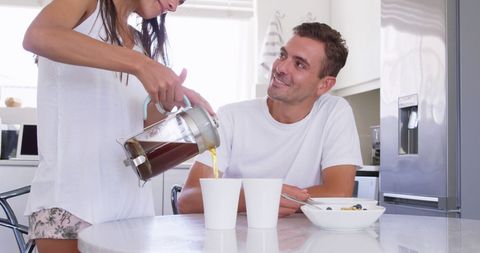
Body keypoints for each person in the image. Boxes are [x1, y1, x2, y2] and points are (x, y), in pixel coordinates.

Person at [22, 0, 213, 252]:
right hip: (71, 202)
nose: (173, 5)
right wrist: (141, 64)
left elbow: (140, 131)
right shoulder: (88, 6)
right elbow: (38, 36)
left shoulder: (140, 44)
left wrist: (165, 103)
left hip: (132, 211)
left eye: (181, 1)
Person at [177, 22, 363, 217]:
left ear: (324, 85)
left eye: (299, 64)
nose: (281, 67)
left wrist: (271, 198)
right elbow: (189, 199)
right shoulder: (230, 117)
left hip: (304, 242)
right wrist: (262, 197)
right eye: (283, 55)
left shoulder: (334, 111)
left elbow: (339, 193)